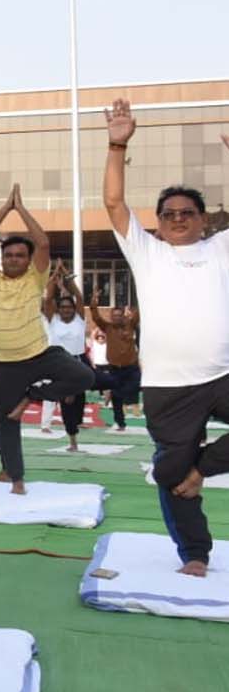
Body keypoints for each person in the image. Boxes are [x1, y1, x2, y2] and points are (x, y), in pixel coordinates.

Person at [103, 99, 229, 576]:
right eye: (170, 213)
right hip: (167, 387)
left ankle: (204, 469)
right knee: (170, 476)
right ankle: (195, 553)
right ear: (157, 222)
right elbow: (114, 203)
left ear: (203, 219)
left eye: (188, 212)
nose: (179, 218)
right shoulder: (147, 252)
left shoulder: (220, 248)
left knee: (188, 472)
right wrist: (117, 142)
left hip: (222, 375)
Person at [0, 184, 95, 495]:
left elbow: (42, 242)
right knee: (7, 422)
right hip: (2, 365)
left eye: (20, 255)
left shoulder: (34, 278)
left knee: (83, 376)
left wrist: (21, 209)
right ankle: (16, 480)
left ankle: (32, 396)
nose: (14, 259)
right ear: (2, 258)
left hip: (40, 354)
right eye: (9, 255)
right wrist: (5, 207)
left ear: (28, 261)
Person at [40, 263, 87, 449]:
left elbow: (79, 297)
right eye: (63, 307)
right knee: (67, 403)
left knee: (77, 404)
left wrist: (67, 275)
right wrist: (53, 276)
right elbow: (48, 298)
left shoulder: (79, 319)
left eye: (70, 307)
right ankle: (73, 441)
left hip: (80, 362)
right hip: (61, 365)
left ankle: (74, 428)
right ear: (58, 309)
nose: (67, 309)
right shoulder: (53, 320)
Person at [89, 287, 141, 434]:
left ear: (124, 316)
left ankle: (126, 398)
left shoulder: (130, 324)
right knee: (116, 398)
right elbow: (95, 316)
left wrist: (141, 293)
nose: (116, 318)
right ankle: (120, 423)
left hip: (131, 368)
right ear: (111, 317)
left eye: (119, 315)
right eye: (114, 315)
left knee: (135, 387)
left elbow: (139, 311)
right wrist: (94, 300)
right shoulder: (107, 327)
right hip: (114, 368)